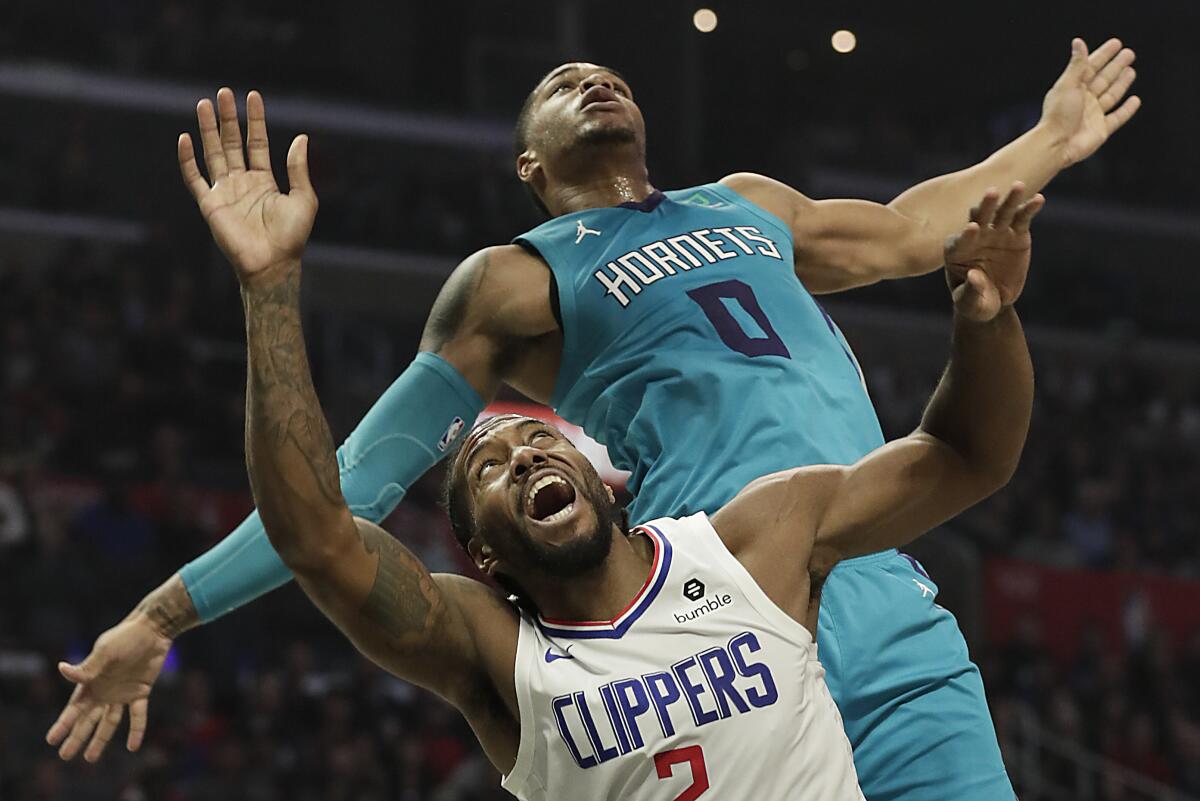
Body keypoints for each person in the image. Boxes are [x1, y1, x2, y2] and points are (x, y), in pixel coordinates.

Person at [49, 37, 1135, 801]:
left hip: (879, 596)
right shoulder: (513, 284)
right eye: (563, 82)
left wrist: (1046, 142)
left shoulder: (744, 204)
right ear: (530, 165)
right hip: (719, 622)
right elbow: (355, 485)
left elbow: (912, 230)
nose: (592, 79)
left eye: (605, 74)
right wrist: (161, 617)